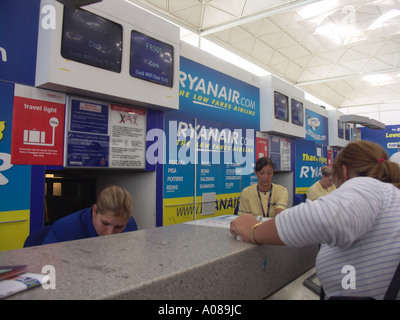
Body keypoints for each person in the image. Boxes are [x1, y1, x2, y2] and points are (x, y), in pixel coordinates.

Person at [230, 141, 400, 300]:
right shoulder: (387, 193)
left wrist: (254, 231)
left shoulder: (367, 186)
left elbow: (323, 219)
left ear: (345, 172)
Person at [43, 185, 137, 244]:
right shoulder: (65, 229)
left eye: (119, 227)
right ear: (94, 210)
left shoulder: (130, 225)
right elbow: (45, 267)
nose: (110, 233)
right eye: (105, 223)